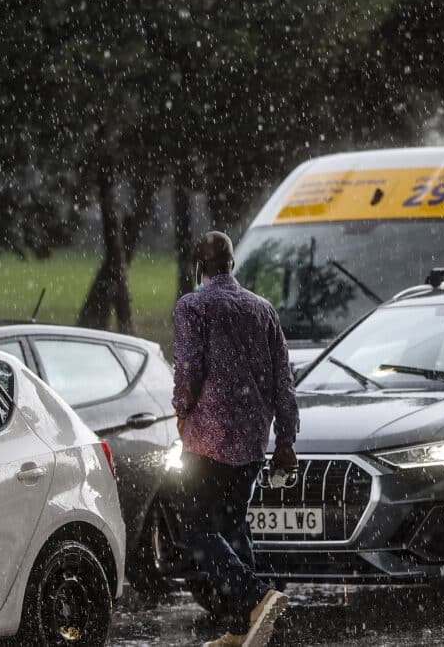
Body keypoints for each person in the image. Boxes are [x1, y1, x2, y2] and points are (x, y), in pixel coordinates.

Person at [172, 231, 300, 647]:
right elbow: (285, 381)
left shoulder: (192, 307)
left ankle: (257, 597)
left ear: (199, 266)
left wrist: (181, 408)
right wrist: (285, 440)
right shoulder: (262, 310)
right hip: (250, 445)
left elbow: (188, 368)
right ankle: (242, 629)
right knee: (232, 526)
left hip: (206, 442)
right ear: (232, 263)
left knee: (194, 530)